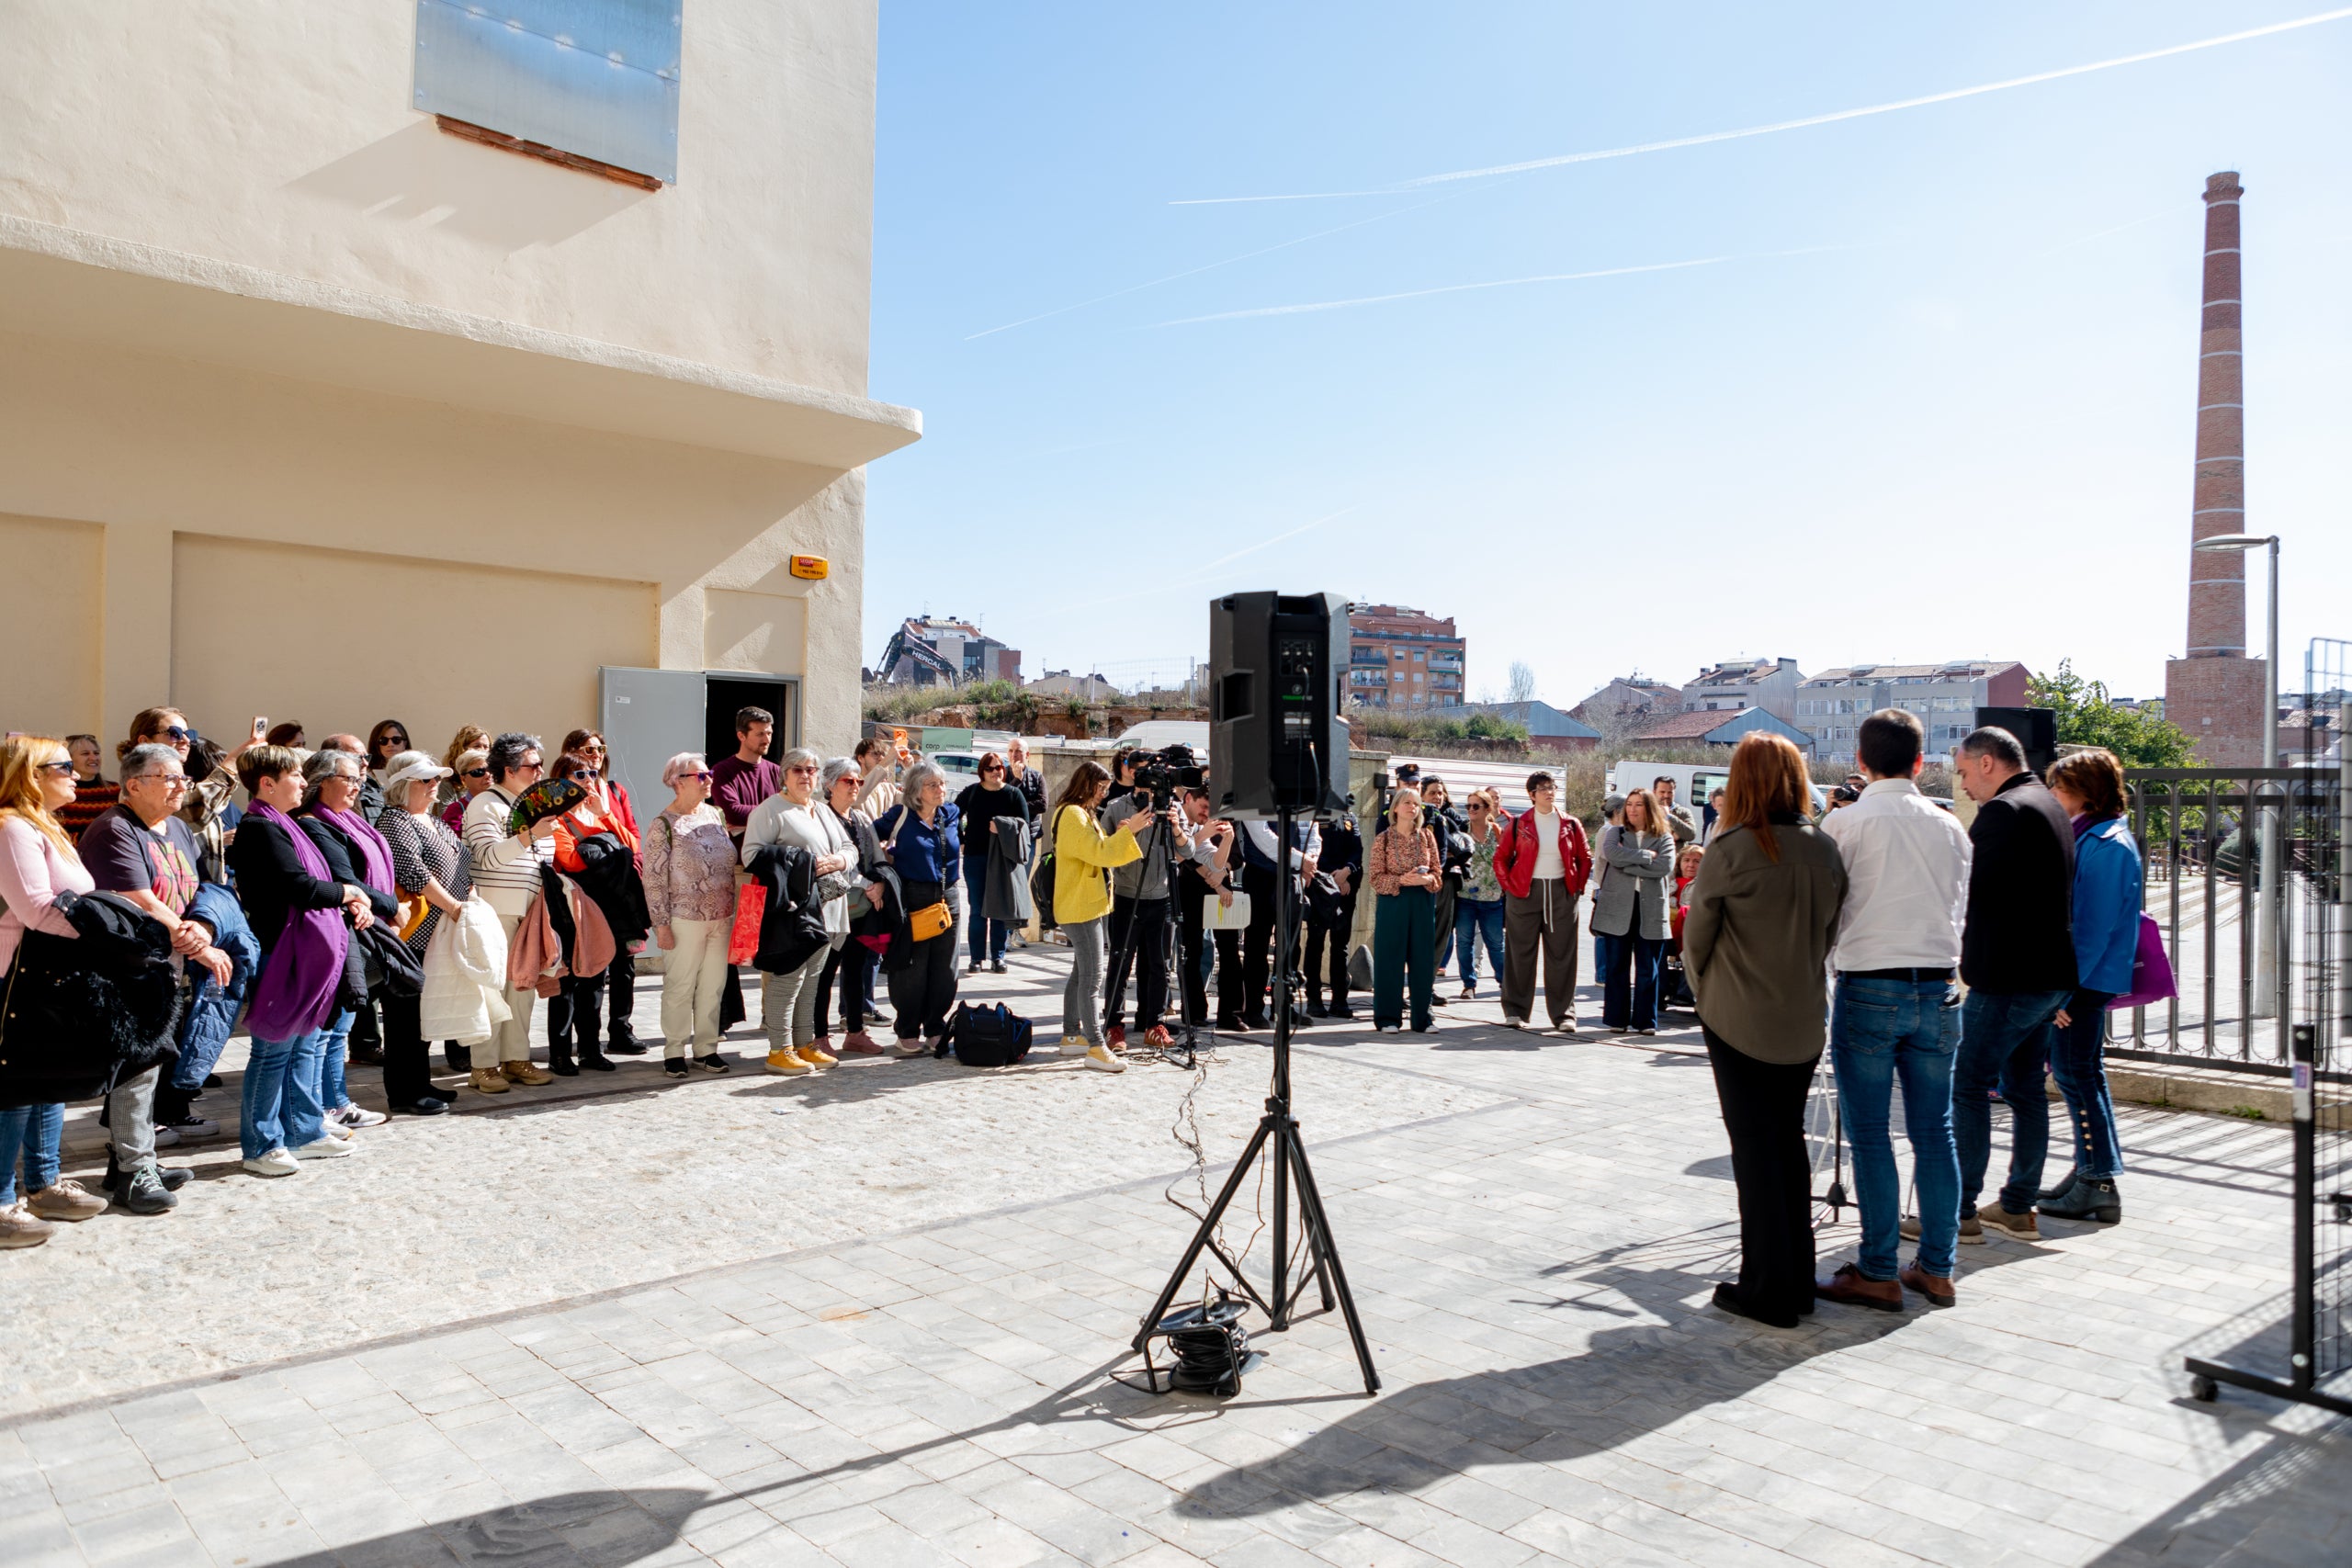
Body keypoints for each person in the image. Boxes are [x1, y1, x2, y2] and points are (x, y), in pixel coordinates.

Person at [1682, 732, 1847, 1328]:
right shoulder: (1825, 849)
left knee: (1754, 1153)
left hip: (1739, 1017)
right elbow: (1828, 932)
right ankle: (1796, 1280)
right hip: (1803, 1016)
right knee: (1788, 1146)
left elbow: (1697, 935)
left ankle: (1767, 1290)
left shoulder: (1732, 848)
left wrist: (1705, 996)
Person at [1812, 708, 1973, 1314]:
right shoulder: (1952, 827)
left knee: (1873, 1135)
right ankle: (1938, 1266)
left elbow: (1826, 905)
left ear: (1859, 761)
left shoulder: (1844, 823)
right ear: (1920, 761)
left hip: (1871, 984)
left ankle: (1878, 1268)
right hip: (1938, 986)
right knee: (1936, 1132)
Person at [78, 743, 232, 1210]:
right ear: (134, 784)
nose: (181, 785)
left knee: (150, 1066)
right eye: (169, 777)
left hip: (167, 965)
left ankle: (131, 1158)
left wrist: (200, 926)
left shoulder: (179, 828)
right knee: (137, 1069)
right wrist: (199, 944)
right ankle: (133, 1172)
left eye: (182, 776)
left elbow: (202, 888)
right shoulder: (115, 830)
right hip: (127, 966)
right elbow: (138, 899)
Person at [1951, 726, 2077, 1242]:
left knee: (1967, 1087)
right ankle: (2019, 1206)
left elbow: (1966, 888)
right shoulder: (2048, 803)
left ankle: (1957, 1211)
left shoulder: (2004, 812)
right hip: (2047, 976)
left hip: (2007, 980)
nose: (1962, 786)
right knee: (2025, 1090)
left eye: (1962, 772)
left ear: (1987, 763)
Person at [229, 744, 373, 1175]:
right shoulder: (261, 828)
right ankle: (260, 1144)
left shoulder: (283, 824)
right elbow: (299, 885)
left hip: (300, 950)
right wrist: (347, 892)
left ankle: (302, 1131)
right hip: (281, 951)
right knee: (272, 1052)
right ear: (267, 784)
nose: (303, 783)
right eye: (295, 775)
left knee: (301, 1045)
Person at [0, 739, 114, 1245]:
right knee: (17, 1087)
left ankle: (44, 1183)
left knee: (50, 1077)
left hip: (53, 973)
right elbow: (37, 908)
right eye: (63, 766)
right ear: (30, 774)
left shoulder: (45, 826)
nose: (76, 773)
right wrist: (107, 937)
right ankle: (2, 1201)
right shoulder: (11, 827)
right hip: (18, 975)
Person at [2036, 748, 2141, 1227]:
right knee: (2081, 1075)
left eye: (2058, 786)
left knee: (2078, 1077)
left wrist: (2064, 992)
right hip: (2083, 978)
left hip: (2085, 981)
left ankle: (2097, 1182)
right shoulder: (2093, 836)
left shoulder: (2107, 846)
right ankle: (2090, 1173)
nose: (2052, 794)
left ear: (2085, 792)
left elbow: (2092, 930)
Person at [293, 749, 399, 1128]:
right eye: (349, 779)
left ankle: (336, 1102)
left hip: (362, 923)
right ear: (322, 782)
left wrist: (383, 904)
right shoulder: (314, 824)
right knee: (331, 1029)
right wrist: (392, 905)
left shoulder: (346, 820)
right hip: (338, 931)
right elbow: (346, 879)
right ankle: (326, 1107)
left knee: (342, 1026)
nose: (357, 786)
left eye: (359, 779)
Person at [744, 749, 863, 1075]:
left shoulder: (822, 811)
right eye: (797, 769)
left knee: (812, 981)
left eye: (811, 770)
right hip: (792, 913)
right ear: (784, 774)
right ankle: (778, 1049)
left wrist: (839, 861)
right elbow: (752, 854)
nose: (805, 775)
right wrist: (801, 860)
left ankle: (804, 1044)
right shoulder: (770, 811)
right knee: (787, 981)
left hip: (827, 909)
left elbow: (849, 848)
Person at [462, 732, 560, 1094]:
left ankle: (516, 1057)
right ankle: (483, 1065)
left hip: (530, 911)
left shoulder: (535, 804)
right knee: (492, 988)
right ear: (508, 769)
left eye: (540, 764)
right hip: (493, 909)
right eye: (532, 765)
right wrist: (530, 835)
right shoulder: (486, 804)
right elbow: (486, 856)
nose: (540, 771)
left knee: (523, 987)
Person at [374, 750, 469, 1114]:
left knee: (423, 1013)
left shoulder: (434, 820)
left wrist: (468, 898)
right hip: (412, 935)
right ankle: (404, 1092)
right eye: (425, 780)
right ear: (402, 785)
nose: (435, 786)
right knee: (403, 1017)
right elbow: (414, 873)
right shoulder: (397, 820)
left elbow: (462, 863)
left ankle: (421, 1082)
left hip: (439, 934)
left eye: (436, 779)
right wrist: (455, 907)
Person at [538, 747, 644, 1076]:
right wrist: (606, 846)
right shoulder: (555, 817)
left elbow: (632, 846)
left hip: (605, 907)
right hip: (571, 907)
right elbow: (569, 859)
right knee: (568, 983)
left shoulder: (597, 813)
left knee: (596, 980)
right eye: (579, 775)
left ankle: (589, 1050)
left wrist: (605, 817)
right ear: (562, 780)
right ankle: (559, 1054)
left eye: (592, 774)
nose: (588, 781)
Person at [1046, 761, 1148, 1070]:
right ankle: (1095, 1047)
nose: (1105, 794)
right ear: (1088, 784)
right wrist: (1131, 832)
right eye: (1102, 788)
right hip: (1081, 906)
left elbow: (1098, 848)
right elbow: (1099, 854)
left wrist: (1120, 835)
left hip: (1083, 903)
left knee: (1081, 974)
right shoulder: (1075, 814)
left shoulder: (1077, 812)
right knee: (1092, 978)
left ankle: (1070, 1036)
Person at [645, 753, 740, 1076]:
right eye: (702, 775)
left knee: (713, 985)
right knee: (680, 985)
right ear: (678, 782)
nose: (709, 780)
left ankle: (706, 1048)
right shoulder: (663, 825)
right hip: (683, 917)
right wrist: (661, 925)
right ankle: (674, 1051)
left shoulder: (715, 815)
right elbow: (654, 879)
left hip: (720, 916)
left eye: (709, 773)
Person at [876, 761, 964, 1055]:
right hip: (912, 896)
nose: (941, 790)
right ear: (916, 790)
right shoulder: (900, 815)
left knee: (945, 967)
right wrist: (877, 876)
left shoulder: (950, 813)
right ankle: (908, 1028)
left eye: (942, 784)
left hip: (947, 896)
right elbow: (868, 839)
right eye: (933, 785)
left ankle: (935, 1026)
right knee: (912, 966)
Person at [1494, 771, 1592, 1034]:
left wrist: (1577, 888)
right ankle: (1515, 1011)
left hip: (1562, 892)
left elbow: (1585, 858)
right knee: (1520, 953)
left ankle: (1563, 1015)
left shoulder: (1570, 823)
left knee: (1562, 955)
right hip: (1525, 892)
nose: (1549, 792)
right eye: (1543, 788)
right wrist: (1510, 888)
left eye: (1552, 787)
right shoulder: (1518, 824)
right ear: (1532, 795)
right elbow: (1500, 858)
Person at [813, 756, 888, 1057]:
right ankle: (818, 1036)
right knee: (825, 972)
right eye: (849, 781)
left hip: (860, 909)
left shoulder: (860, 818)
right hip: (831, 906)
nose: (856, 786)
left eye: (858, 780)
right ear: (830, 785)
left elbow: (876, 859)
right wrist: (865, 885)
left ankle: (855, 1032)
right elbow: (827, 863)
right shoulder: (819, 817)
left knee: (856, 970)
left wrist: (880, 883)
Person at [1102, 777, 1182, 1049]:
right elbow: (1104, 851)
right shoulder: (1116, 807)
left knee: (1160, 965)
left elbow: (1188, 850)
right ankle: (1114, 1025)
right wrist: (1127, 833)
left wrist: (1178, 830)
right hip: (1127, 896)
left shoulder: (1171, 808)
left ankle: (1154, 1024)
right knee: (1120, 963)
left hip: (1162, 898)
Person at [1593, 788, 1676, 1035]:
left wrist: (1629, 866)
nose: (1632, 809)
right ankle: (1617, 1019)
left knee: (1647, 968)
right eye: (1629, 804)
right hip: (1618, 908)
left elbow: (1664, 866)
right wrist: (1644, 856)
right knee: (1617, 966)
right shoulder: (1614, 833)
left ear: (1649, 808)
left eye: (1638, 804)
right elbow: (1612, 855)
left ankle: (1645, 1021)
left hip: (1650, 908)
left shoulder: (1664, 837)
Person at [1236, 811, 1321, 1032]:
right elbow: (1263, 839)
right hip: (1261, 877)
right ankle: (1253, 1009)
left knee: (1291, 947)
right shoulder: (1256, 795)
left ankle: (1285, 1005)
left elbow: (1312, 833)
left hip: (1294, 876)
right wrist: (1302, 860)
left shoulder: (1302, 795)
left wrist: (1309, 861)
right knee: (1257, 945)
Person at [1368, 790, 1442, 1034]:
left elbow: (1437, 876)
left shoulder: (1427, 838)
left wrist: (1426, 879)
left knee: (1422, 959)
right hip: (1393, 902)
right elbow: (1376, 878)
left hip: (1421, 902)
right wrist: (1402, 880)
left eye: (1417, 804)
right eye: (1407, 803)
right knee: (1389, 959)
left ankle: (1423, 1018)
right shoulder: (1384, 839)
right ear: (1396, 808)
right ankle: (1388, 1017)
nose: (1413, 807)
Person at [953, 753, 1026, 975]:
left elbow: (1024, 825)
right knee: (977, 909)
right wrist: (962, 841)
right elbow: (952, 816)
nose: (996, 772)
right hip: (975, 856)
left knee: (999, 910)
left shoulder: (1013, 794)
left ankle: (998, 957)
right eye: (991, 768)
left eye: (1000, 768)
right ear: (982, 772)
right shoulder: (972, 792)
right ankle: (976, 959)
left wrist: (1002, 826)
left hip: (1003, 860)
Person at [1303, 807, 1361, 1020]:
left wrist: (1346, 872)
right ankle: (1314, 999)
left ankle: (1339, 1000)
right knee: (1316, 943)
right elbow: (1314, 849)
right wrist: (1330, 880)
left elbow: (1357, 850)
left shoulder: (1349, 816)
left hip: (1345, 887)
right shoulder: (1314, 813)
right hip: (1320, 886)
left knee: (1340, 946)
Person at [1453, 788, 1508, 1000]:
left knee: (1495, 943)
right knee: (1464, 941)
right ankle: (1469, 984)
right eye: (1468, 806)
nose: (1471, 810)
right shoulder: (1461, 831)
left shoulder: (1497, 832)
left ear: (1487, 808)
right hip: (1465, 895)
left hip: (1493, 896)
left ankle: (1504, 982)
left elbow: (1507, 858)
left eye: (1476, 806)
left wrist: (1504, 886)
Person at [1420, 776, 1465, 985]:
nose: (1438, 797)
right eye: (1432, 793)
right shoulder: (1415, 815)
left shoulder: (1448, 817)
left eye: (1440, 793)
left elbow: (1463, 843)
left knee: (1440, 937)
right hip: (1420, 884)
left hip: (1445, 881)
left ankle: (1427, 987)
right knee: (1420, 937)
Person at [713, 707, 782, 843]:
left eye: (769, 733)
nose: (767, 739)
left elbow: (793, 810)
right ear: (741, 736)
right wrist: (776, 812)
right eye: (760, 734)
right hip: (739, 860)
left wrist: (748, 821)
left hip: (773, 856)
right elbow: (733, 814)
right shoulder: (722, 771)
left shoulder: (778, 772)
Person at [59, 733, 116, 842]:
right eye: (85, 754)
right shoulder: (61, 792)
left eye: (96, 753)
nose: (93, 758)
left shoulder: (114, 790)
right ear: (69, 759)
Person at [442, 747, 492, 835]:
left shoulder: (506, 802)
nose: (488, 775)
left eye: (491, 770)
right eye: (478, 772)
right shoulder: (455, 811)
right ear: (463, 779)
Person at [365, 719, 412, 814]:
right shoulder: (368, 775)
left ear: (405, 743)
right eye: (383, 741)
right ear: (377, 745)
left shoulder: (415, 770)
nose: (390, 744)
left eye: (396, 740)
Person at [437, 726, 490, 809]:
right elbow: (445, 818)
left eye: (486, 747)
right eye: (477, 746)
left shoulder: (495, 777)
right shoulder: (449, 782)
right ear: (462, 749)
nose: (482, 750)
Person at [852, 734, 903, 819]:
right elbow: (860, 793)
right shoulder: (851, 784)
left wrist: (910, 769)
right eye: (875, 754)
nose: (881, 758)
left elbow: (914, 802)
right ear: (861, 758)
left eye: (884, 754)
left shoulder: (888, 789)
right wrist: (887, 760)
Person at [1653, 776, 1700, 849]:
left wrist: (1669, 817)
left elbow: (1691, 835)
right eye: (1662, 792)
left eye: (1670, 792)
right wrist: (1673, 835)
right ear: (1654, 792)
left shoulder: (1684, 812)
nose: (1666, 795)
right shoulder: (1647, 811)